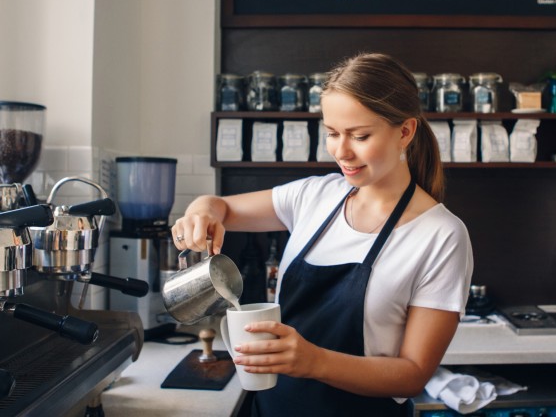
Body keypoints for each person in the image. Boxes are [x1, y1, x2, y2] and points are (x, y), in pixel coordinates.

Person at [172, 52, 473, 416]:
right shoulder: (315, 196)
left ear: (405, 132)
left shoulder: (441, 235)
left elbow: (412, 374)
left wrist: (313, 361)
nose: (342, 152)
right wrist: (201, 212)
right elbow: (219, 206)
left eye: (360, 136)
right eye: (332, 133)